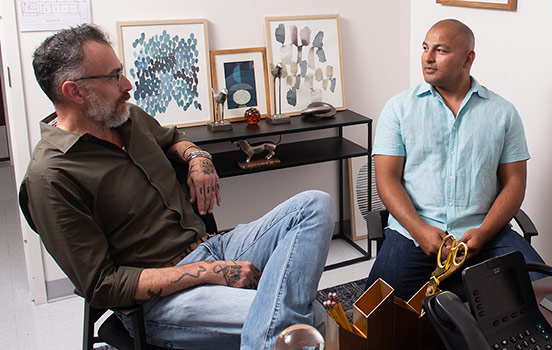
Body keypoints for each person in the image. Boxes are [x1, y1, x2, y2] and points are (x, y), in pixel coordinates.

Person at [18, 24, 333, 350]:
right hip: (161, 299)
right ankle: (280, 323)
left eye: (122, 71)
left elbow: (173, 140)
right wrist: (209, 273)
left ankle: (272, 322)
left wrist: (198, 157)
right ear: (75, 92)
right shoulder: (50, 178)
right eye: (113, 76)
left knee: (315, 203)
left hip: (213, 246)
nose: (127, 84)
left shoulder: (127, 118)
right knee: (310, 321)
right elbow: (102, 285)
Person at [366, 19, 547, 300]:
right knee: (375, 316)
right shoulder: (398, 109)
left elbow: (514, 183)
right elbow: (386, 179)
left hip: (483, 234)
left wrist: (485, 232)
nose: (427, 57)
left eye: (440, 50)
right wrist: (420, 230)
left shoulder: (503, 113)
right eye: (425, 48)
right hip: (414, 232)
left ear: (468, 58)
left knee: (546, 296)